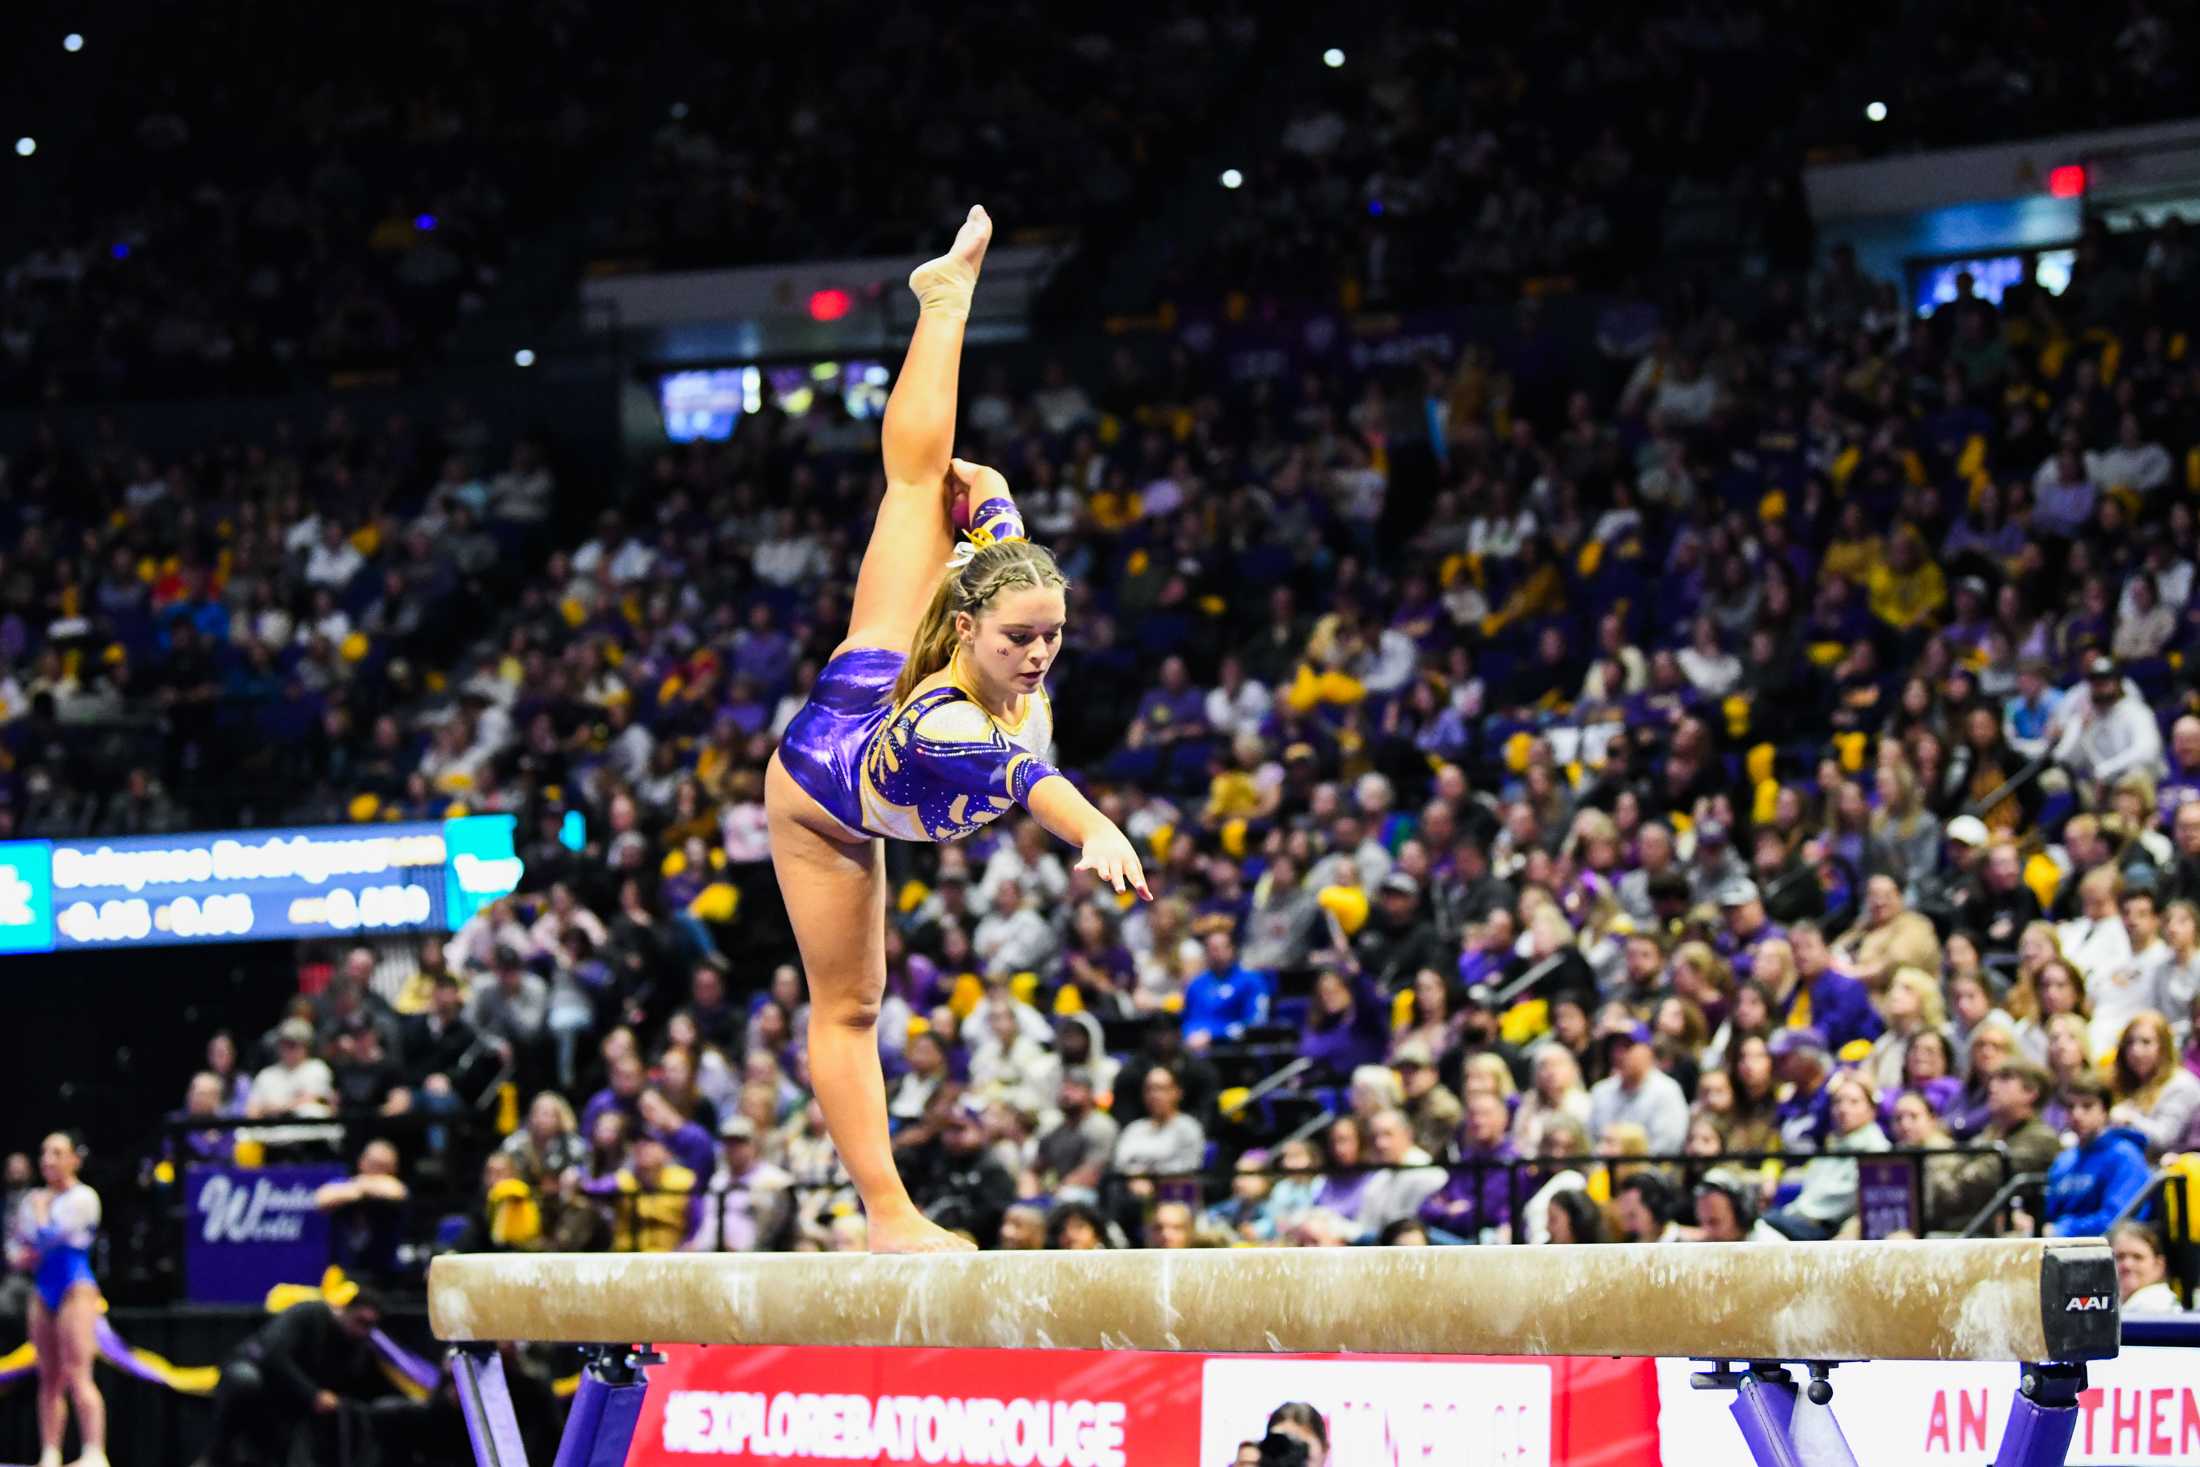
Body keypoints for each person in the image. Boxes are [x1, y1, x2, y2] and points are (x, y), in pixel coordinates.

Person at [763, 207, 1148, 1252]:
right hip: (826, 786)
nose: (1038, 657)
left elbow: (996, 549)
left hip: (887, 665)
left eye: (1054, 639)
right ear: (971, 628)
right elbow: (1030, 781)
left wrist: (1001, 502)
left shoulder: (995, 595)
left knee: (922, 483)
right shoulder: (948, 718)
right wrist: (1097, 832)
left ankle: (942, 301)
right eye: (1021, 639)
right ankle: (889, 1216)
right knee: (848, 1006)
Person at [199, 1290, 386, 1467]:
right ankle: (215, 1458)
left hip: (290, 1397)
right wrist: (313, 1395)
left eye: (370, 1326)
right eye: (360, 1321)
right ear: (345, 1310)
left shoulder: (356, 1346)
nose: (363, 1331)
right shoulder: (310, 1313)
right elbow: (273, 1354)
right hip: (257, 1374)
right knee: (245, 1381)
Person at [7, 1134, 106, 1467]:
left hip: (74, 1286)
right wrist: (21, 1253)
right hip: (43, 1287)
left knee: (78, 1373)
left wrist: (39, 1214)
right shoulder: (33, 1199)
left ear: (74, 1160)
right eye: (44, 1152)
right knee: (48, 1377)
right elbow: (17, 1246)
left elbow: (50, 1237)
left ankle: (94, 1452)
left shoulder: (83, 1197)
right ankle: (50, 1452)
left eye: (57, 1153)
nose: (48, 1159)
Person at [1762, 1073, 1891, 1241]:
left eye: (1854, 1102)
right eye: (1838, 1102)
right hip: (1800, 1220)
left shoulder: (1878, 1150)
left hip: (1827, 1229)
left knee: (1762, 1228)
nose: (1844, 1109)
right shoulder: (1832, 1144)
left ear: (1872, 1110)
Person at [2041, 1073, 2152, 1238]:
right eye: (2070, 1107)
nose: (2077, 1114)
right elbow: (2049, 1214)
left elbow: (2118, 1220)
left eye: (2087, 1106)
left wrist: (2062, 1230)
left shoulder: (2125, 1156)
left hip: (2109, 1250)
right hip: (2061, 1247)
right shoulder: (2064, 1160)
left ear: (2105, 1112)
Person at [313, 1139, 409, 1286]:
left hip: (382, 1275)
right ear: (361, 1162)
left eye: (383, 1166)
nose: (376, 1170)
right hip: (344, 1271)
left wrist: (358, 1188)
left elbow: (395, 1191)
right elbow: (322, 1198)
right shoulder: (343, 1183)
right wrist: (361, 1189)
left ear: (394, 1168)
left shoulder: (395, 1187)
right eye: (373, 1164)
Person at [1586, 1023, 1688, 1152]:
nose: (1619, 1054)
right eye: (1615, 1047)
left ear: (1648, 1050)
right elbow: (1591, 1140)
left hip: (1651, 1169)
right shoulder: (1601, 1091)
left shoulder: (1667, 1091)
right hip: (1604, 1169)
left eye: (1627, 1047)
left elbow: (1667, 1144)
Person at [2109, 1221, 2184, 1314]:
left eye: (2137, 1257)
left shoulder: (2158, 1305)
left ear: (2158, 1265)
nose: (2127, 1265)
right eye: (2119, 1257)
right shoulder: (2107, 1305)